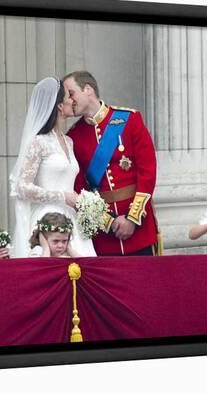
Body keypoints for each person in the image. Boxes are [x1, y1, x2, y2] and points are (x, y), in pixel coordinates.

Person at [64, 70, 159, 256]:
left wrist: (132, 218)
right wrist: (109, 222)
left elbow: (147, 172)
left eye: (71, 93)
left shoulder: (129, 119)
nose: (68, 100)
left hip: (139, 226)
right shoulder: (74, 136)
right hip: (105, 235)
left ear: (88, 89)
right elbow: (79, 187)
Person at [9, 77, 97, 258]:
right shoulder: (38, 142)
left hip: (72, 219)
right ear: (59, 105)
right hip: (47, 218)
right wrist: (63, 196)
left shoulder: (69, 141)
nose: (73, 100)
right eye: (69, 96)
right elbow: (22, 186)